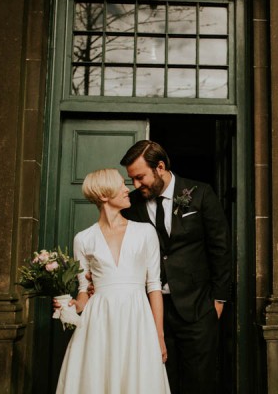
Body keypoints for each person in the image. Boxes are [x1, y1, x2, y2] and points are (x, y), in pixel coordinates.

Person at [119, 140, 232, 394]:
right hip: (151, 312)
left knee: (199, 383)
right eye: (132, 180)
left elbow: (221, 249)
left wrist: (218, 300)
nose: (135, 186)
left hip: (198, 308)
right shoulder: (131, 205)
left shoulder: (201, 193)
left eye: (140, 177)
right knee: (159, 382)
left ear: (160, 167)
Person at [55, 168, 171, 394]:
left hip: (138, 320)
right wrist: (70, 306)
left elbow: (154, 287)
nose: (127, 189)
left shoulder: (145, 232)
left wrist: (159, 336)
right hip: (98, 322)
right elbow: (83, 291)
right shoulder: (83, 239)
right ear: (104, 195)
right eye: (120, 185)